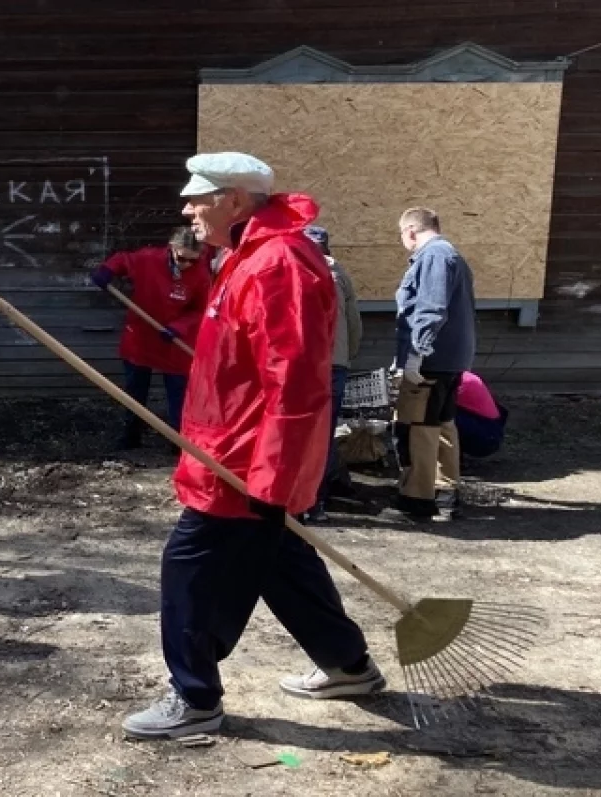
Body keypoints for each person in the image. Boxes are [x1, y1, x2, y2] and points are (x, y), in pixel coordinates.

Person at [123, 153, 383, 740]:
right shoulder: (248, 256)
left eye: (198, 197)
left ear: (235, 201)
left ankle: (195, 698)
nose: (187, 208)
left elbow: (297, 383)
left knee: (189, 568)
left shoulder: (277, 264)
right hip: (232, 449)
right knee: (280, 561)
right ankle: (348, 665)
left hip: (245, 462)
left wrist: (273, 477)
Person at [89, 227, 211, 449]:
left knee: (178, 393)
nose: (187, 265)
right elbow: (123, 260)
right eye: (182, 258)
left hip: (174, 340)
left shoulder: (200, 274)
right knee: (135, 390)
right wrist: (107, 270)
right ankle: (131, 434)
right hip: (142, 335)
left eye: (193, 260)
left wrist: (179, 327)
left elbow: (200, 309)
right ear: (172, 248)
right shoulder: (148, 259)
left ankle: (178, 441)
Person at [392, 208, 477, 520]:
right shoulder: (452, 256)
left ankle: (416, 500)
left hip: (430, 360)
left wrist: (415, 354)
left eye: (402, 235)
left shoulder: (433, 257)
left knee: (417, 428)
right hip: (451, 359)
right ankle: (445, 495)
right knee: (442, 425)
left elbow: (431, 308)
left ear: (411, 231)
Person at [304, 225, 362, 522]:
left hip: (307, 366)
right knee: (324, 434)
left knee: (301, 433)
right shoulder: (339, 273)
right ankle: (317, 501)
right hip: (335, 365)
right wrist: (346, 356)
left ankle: (302, 501)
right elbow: (354, 323)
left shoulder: (297, 270)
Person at [454, 371, 507, 458]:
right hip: (493, 430)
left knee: (440, 415)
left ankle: (449, 457)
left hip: (484, 436)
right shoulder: (465, 374)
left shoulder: (452, 379)